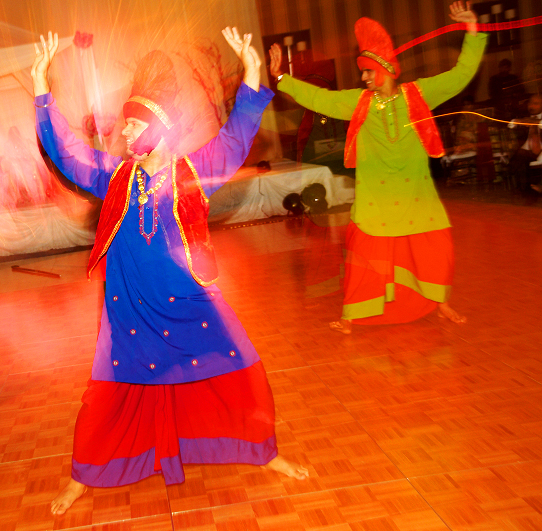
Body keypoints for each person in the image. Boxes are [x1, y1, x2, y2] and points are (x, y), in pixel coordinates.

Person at [31, 28, 308, 516]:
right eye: (126, 128)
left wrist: (251, 73)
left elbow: (238, 135)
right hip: (130, 306)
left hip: (192, 300)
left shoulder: (195, 171)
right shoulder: (114, 176)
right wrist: (41, 90)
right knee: (108, 395)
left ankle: (263, 452)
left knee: (239, 369)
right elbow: (68, 154)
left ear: (157, 127)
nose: (125, 134)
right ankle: (85, 474)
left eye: (134, 127)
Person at [269, 1, 483, 334]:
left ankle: (441, 303)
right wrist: (282, 77)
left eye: (368, 71)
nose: (363, 78)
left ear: (384, 69)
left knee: (435, 250)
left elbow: (460, 75)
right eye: (362, 72)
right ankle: (351, 315)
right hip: (375, 200)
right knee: (365, 257)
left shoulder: (419, 95)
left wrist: (471, 30)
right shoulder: (359, 103)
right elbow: (319, 99)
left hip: (416, 194)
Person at [507, 93, 542, 194]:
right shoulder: (523, 116)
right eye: (530, 103)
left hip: (540, 150)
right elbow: (511, 125)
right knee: (519, 158)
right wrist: (520, 121)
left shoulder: (532, 119)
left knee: (520, 158)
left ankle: (528, 190)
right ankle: (525, 190)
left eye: (536, 103)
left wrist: (532, 121)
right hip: (527, 150)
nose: (532, 106)